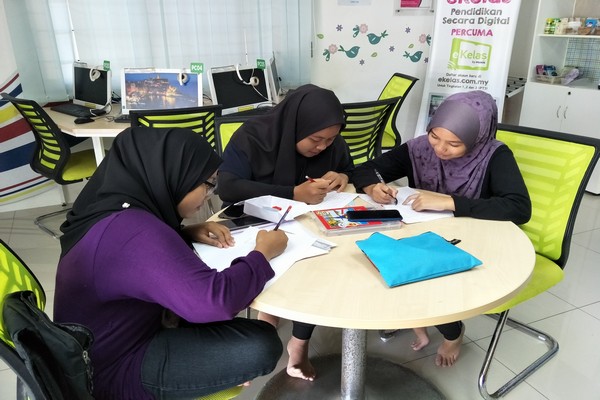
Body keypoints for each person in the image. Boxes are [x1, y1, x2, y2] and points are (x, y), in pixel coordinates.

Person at [54, 127, 287, 399]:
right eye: (207, 184)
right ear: (176, 175)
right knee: (260, 344)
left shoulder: (113, 208)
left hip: (110, 345)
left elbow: (128, 260)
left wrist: (182, 233)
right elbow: (214, 302)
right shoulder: (134, 231)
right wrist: (262, 253)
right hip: (112, 373)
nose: (209, 195)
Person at [353, 90, 531, 367]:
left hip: (475, 237)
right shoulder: (419, 148)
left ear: (477, 138)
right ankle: (416, 317)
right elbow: (366, 169)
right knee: (382, 257)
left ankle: (452, 332)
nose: (439, 149)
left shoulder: (494, 155)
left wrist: (449, 202)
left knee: (423, 268)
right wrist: (372, 186)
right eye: (435, 136)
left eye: (454, 144)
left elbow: (518, 208)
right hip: (425, 233)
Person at [217, 83, 354, 381]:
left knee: (321, 270)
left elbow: (350, 168)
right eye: (316, 139)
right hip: (257, 224)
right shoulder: (253, 137)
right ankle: (266, 322)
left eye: (330, 140)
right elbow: (227, 187)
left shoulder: (332, 142)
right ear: (296, 126)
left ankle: (299, 343)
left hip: (311, 225)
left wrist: (342, 175)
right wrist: (292, 192)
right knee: (280, 263)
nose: (323, 147)